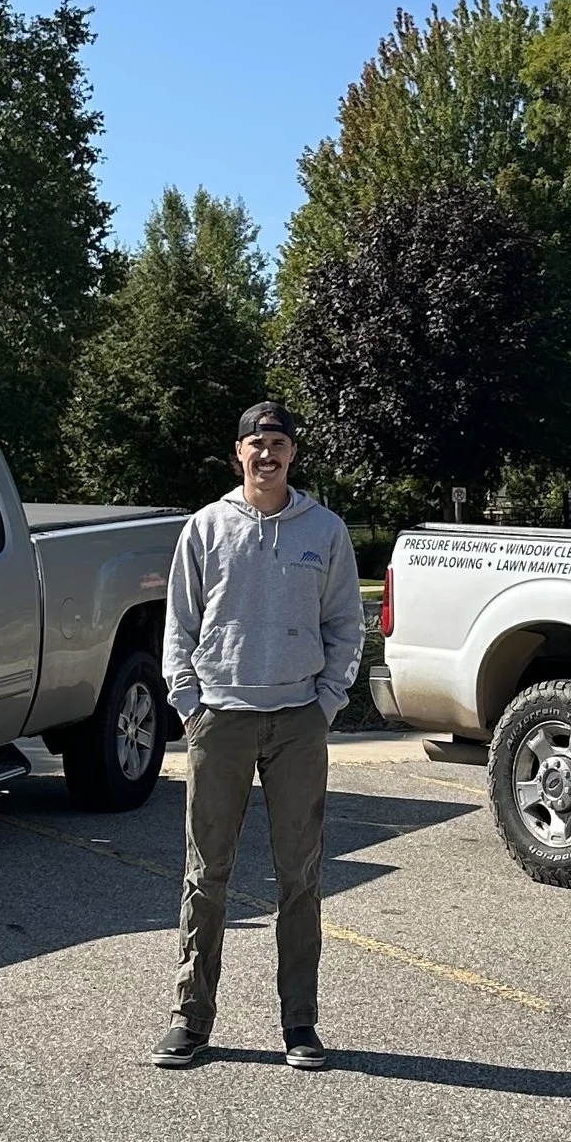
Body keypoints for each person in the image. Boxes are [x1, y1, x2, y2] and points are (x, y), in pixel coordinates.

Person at [155, 400, 363, 1071]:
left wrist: (326, 702)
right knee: (204, 874)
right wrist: (189, 703)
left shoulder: (323, 530)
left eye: (277, 442)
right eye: (255, 443)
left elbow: (346, 623)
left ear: (293, 453)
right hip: (221, 715)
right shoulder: (207, 527)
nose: (266, 453)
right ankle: (191, 1019)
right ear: (237, 454)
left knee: (299, 877)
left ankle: (300, 1022)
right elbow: (179, 624)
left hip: (298, 718)